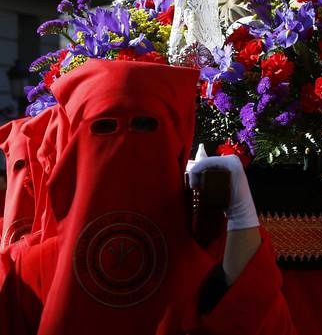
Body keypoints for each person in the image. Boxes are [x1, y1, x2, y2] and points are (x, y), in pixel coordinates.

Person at [0, 59, 296, 335]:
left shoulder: (219, 257)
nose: (124, 144)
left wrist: (241, 227)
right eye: (103, 126)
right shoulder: (25, 269)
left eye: (146, 125)